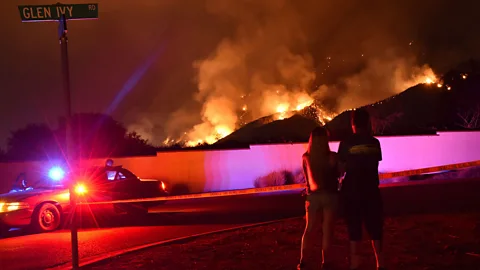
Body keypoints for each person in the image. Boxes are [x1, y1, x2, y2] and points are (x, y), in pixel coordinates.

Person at [338, 108, 386, 270]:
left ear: (353, 124)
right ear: (367, 123)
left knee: (354, 228)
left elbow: (341, 170)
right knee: (375, 227)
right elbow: (375, 163)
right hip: (372, 190)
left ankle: (355, 264)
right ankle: (380, 263)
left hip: (352, 191)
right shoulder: (375, 143)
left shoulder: (346, 143)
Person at [298, 126, 340, 270]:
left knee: (309, 229)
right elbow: (339, 173)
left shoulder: (305, 157)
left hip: (313, 197)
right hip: (330, 195)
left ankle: (303, 261)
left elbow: (306, 177)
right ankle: (325, 262)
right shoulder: (332, 156)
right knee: (327, 229)